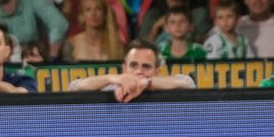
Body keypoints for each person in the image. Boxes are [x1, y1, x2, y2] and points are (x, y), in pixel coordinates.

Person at [67, 41, 198, 100]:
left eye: (146, 66)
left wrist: (147, 83)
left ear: (157, 71)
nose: (139, 71)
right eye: (134, 65)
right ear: (124, 69)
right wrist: (110, 78)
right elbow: (74, 87)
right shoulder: (113, 88)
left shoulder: (165, 87)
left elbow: (188, 83)